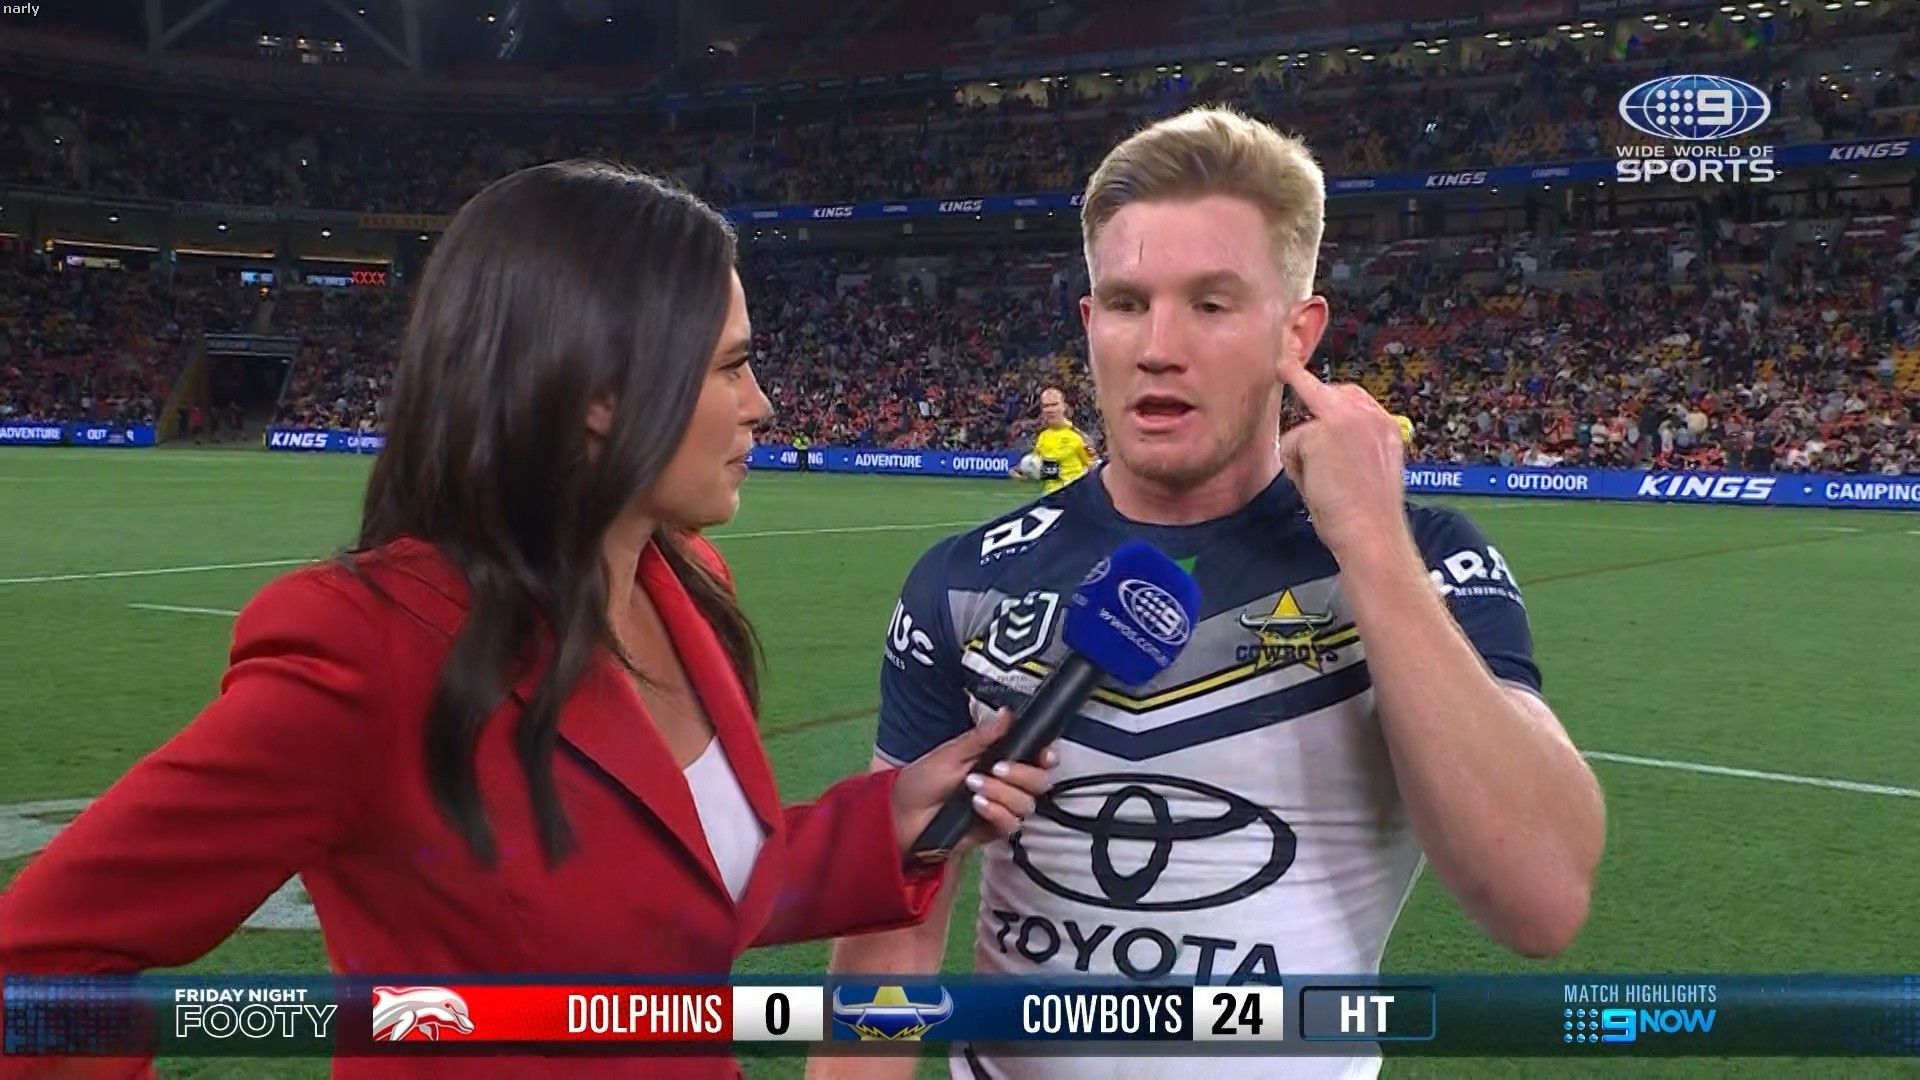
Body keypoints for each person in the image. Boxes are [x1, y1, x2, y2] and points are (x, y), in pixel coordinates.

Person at [0, 162, 1054, 1080]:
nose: (764, 403)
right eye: (732, 365)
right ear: (597, 392)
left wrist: (888, 819)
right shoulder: (370, 651)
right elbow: (37, 963)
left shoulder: (687, 582)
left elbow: (687, 891)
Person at [815, 107, 1604, 1080]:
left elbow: (1541, 902)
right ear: (1090, 325)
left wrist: (1370, 541)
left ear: (1296, 334)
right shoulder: (967, 577)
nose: (1158, 345)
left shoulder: (1423, 560)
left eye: (1212, 304)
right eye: (1127, 302)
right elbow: (896, 917)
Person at [1008, 386, 1096, 493]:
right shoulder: (1042, 437)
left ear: (1064, 407)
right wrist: (1020, 471)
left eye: (1054, 404)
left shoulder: (1078, 436)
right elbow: (1045, 469)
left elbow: (1093, 467)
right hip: (1049, 496)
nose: (1050, 410)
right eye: (1046, 406)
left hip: (1074, 497)